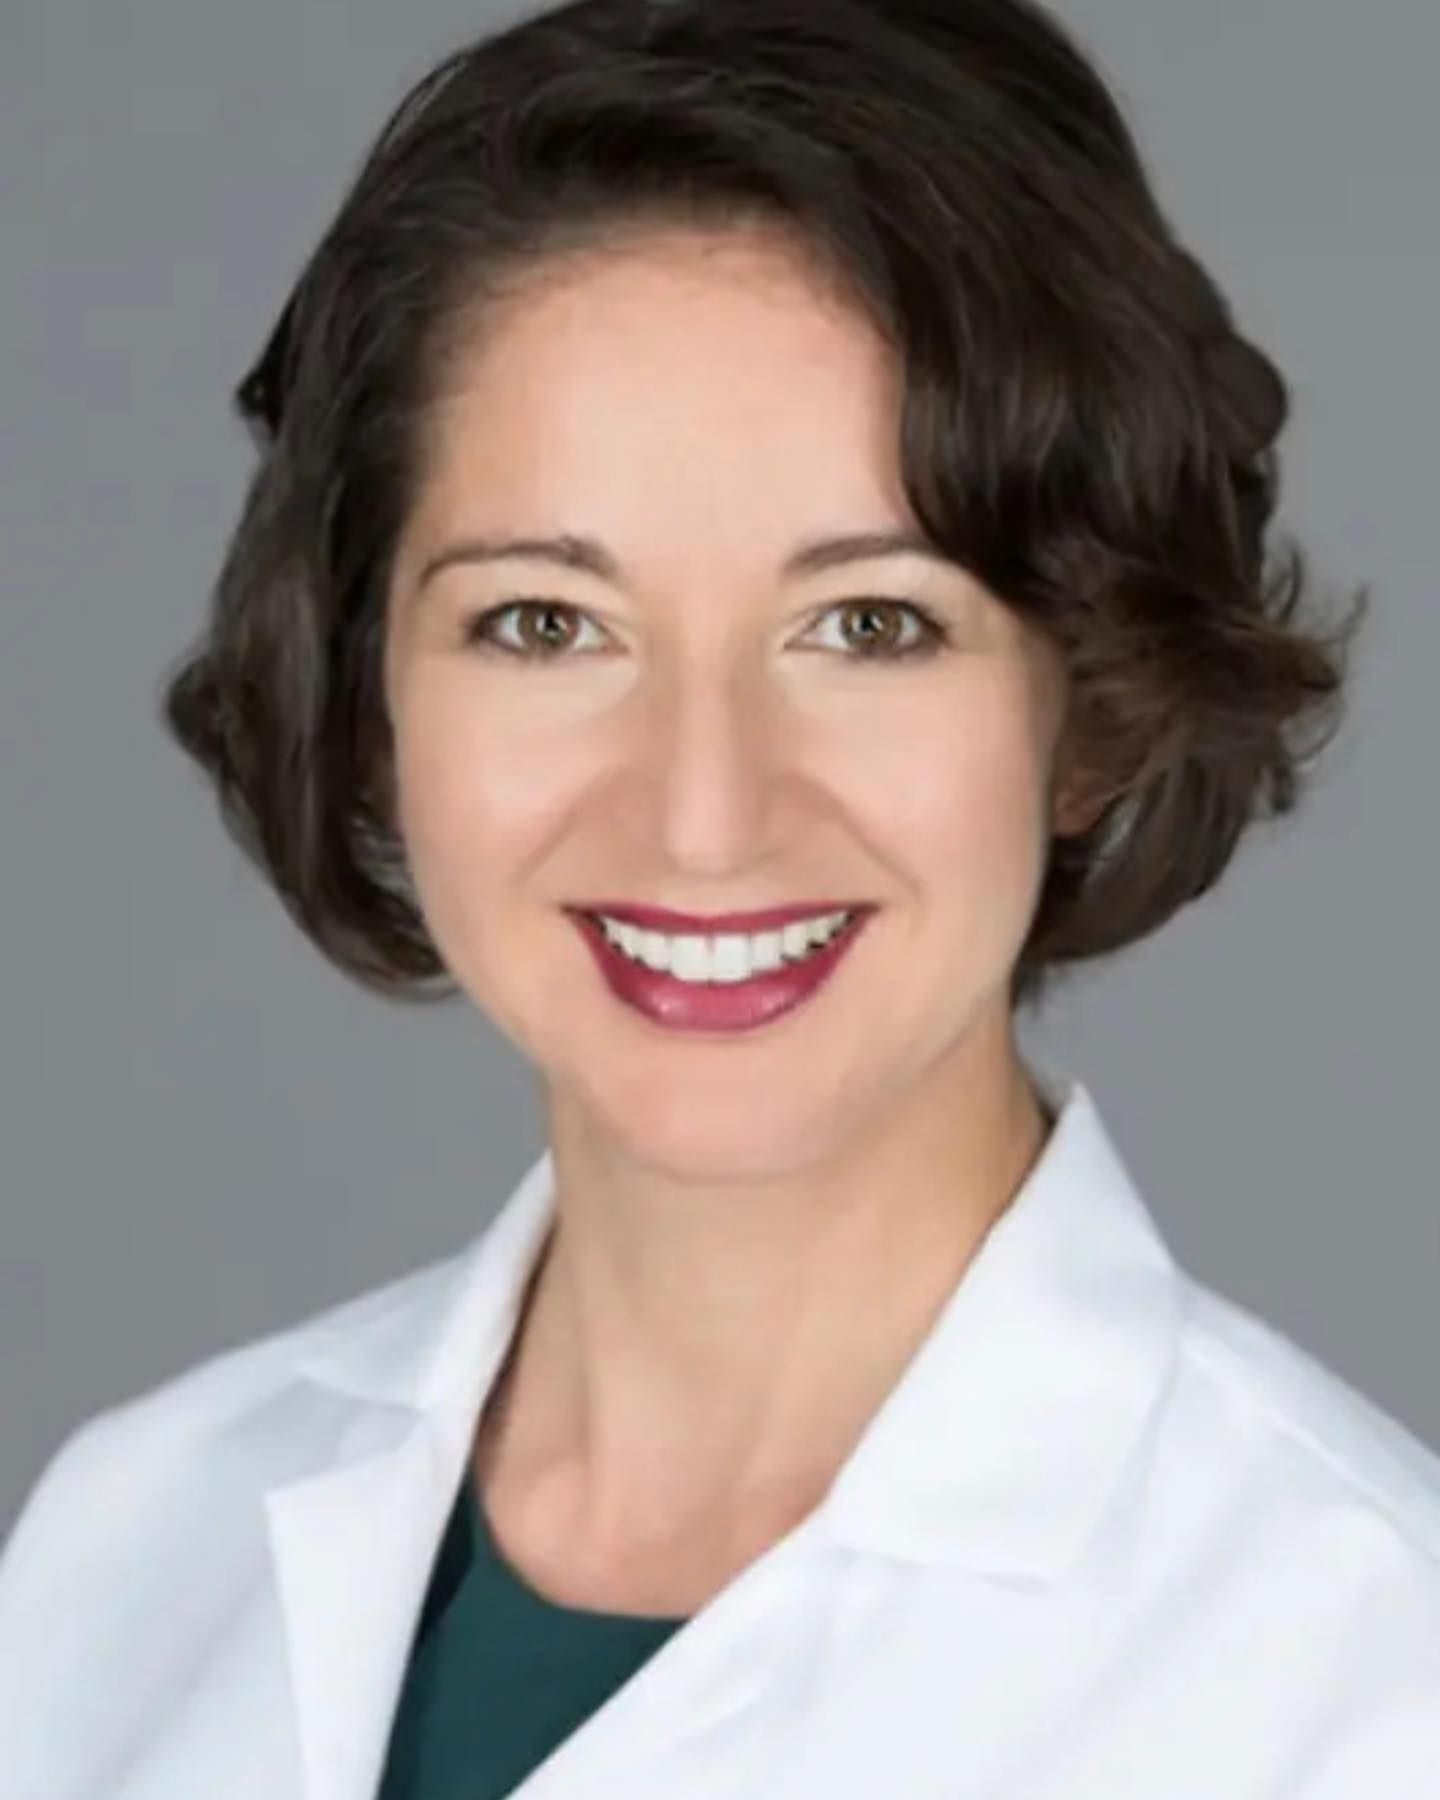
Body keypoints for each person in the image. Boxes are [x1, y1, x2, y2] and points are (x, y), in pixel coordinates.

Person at [3, 0, 1437, 1794]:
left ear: (1093, 710)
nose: (701, 814)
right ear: (372, 704)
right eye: (546, 622)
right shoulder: (122, 1554)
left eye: (869, 625)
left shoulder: (1368, 1675)